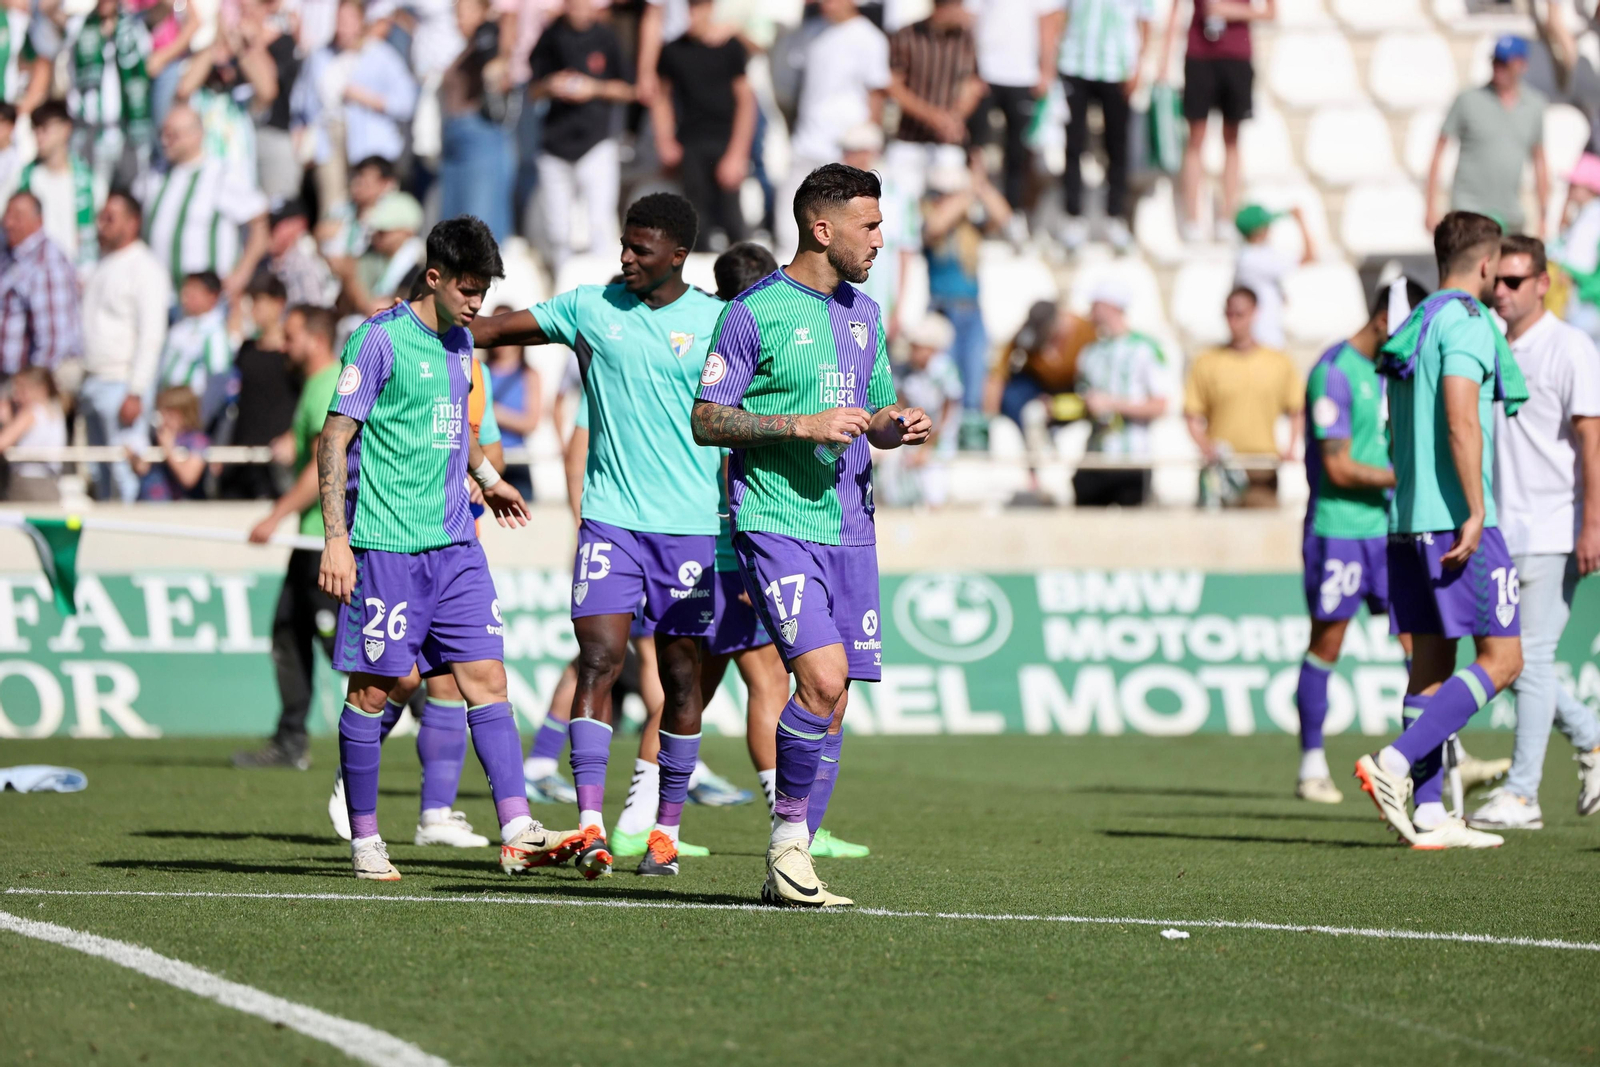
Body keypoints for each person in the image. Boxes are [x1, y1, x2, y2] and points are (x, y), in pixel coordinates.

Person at [691, 162, 933, 907]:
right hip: (777, 520)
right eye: (869, 225)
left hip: (852, 526)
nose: (881, 240)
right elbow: (707, 419)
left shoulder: (864, 314)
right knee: (819, 680)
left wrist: (898, 425)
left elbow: (878, 409)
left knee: (835, 699)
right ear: (821, 228)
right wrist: (799, 424)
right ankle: (788, 842)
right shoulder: (753, 312)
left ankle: (791, 867)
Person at [470, 193, 726, 879]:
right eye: (624, 244)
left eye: (641, 249)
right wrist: (417, 319)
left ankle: (665, 830)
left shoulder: (718, 323)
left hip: (691, 531)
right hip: (611, 520)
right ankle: (589, 823)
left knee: (677, 674)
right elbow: (493, 331)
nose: (626, 258)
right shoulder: (591, 306)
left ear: (678, 254)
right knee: (599, 658)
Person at [314, 214, 572, 882]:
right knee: (373, 692)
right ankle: (366, 837)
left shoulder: (463, 345)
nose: (476, 301)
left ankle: (517, 826)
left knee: (486, 677)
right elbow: (334, 436)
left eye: (483, 288)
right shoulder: (378, 341)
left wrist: (489, 479)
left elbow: (454, 434)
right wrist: (336, 539)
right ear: (433, 276)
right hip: (388, 547)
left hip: (457, 545)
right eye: (466, 286)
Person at [1355, 210, 1527, 850]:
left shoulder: (1413, 326)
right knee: (1503, 660)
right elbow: (1461, 415)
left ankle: (1428, 815)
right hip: (1454, 522)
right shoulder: (1468, 321)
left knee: (1429, 667)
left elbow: (1399, 429)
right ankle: (1394, 764)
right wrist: (1475, 508)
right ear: (1487, 264)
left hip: (1405, 523)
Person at [1466, 235, 1600, 829]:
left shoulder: (1571, 346)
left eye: (1515, 282)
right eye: (1498, 281)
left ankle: (1522, 794)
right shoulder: (1490, 343)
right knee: (1507, 660)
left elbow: (1592, 440)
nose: (1502, 292)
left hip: (1553, 523)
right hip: (1501, 525)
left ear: (1544, 283)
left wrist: (1593, 521)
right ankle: (1594, 741)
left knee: (1532, 656)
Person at [1293, 278, 1426, 804]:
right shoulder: (1333, 373)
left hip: (1386, 533)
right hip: (1339, 533)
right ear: (1381, 321)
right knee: (1328, 644)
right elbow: (1339, 467)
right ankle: (1310, 766)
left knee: (1419, 643)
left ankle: (1434, 754)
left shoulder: (1385, 370)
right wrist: (1403, 476)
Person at [234, 305, 344, 769]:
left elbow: (325, 462)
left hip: (323, 538)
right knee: (288, 631)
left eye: (292, 336)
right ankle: (290, 738)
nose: (283, 345)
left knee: (343, 643)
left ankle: (424, 713)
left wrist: (275, 514)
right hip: (310, 538)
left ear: (316, 340)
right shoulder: (318, 386)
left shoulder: (327, 384)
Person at [776, 0, 889, 258]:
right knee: (789, 226)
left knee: (840, 231)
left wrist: (868, 143)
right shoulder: (810, 32)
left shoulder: (869, 37)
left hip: (846, 151)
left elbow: (877, 95)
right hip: (806, 144)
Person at [1160, 0, 1276, 242]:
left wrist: (1229, 11)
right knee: (1195, 139)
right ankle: (1193, 221)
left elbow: (1270, 12)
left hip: (1236, 57)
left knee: (1232, 139)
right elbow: (1174, 11)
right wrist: (1164, 63)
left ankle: (1227, 219)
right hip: (1199, 57)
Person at [528, 0, 632, 271]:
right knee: (558, 230)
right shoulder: (550, 36)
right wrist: (552, 85)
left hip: (596, 141)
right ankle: (562, 284)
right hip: (555, 144)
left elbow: (628, 89)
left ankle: (602, 288)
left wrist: (592, 88)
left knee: (599, 223)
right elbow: (532, 89)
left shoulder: (606, 36)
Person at [80, 190, 169, 502]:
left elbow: (152, 335)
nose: (101, 224)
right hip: (93, 380)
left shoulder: (145, 267)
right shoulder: (103, 263)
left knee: (125, 473)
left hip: (122, 385)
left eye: (110, 217)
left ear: (133, 223)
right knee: (99, 473)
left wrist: (136, 390)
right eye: (101, 216)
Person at [291, 0, 417, 216]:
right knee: (333, 209)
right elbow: (301, 100)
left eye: (349, 21)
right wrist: (299, 130)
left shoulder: (381, 55)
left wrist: (365, 98)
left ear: (361, 22)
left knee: (372, 210)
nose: (343, 27)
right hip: (328, 142)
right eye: (339, 20)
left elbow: (406, 102)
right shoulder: (320, 56)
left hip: (370, 147)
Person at [137, 104, 270, 304]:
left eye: (173, 135)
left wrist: (240, 276)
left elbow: (259, 225)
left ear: (196, 134)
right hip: (160, 299)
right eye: (162, 134)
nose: (165, 141)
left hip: (208, 304)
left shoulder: (221, 174)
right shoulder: (154, 176)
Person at [1183, 287, 1301, 508]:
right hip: (1221, 468)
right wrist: (1205, 446)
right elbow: (1192, 413)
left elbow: (1296, 409)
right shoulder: (1206, 361)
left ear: (1255, 313)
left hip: (1262, 468)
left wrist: (1292, 446)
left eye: (1240, 314)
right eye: (1229, 314)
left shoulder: (1278, 362)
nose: (1234, 321)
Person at [653, 0, 756, 251]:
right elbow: (661, 98)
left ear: (710, 8)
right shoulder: (672, 50)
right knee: (696, 224)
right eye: (688, 7)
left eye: (697, 7)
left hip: (726, 141)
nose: (692, 14)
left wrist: (737, 154)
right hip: (690, 143)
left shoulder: (730, 47)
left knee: (734, 224)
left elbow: (746, 102)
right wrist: (664, 141)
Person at [922, 154, 1009, 441]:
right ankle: (939, 441)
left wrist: (981, 185)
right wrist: (972, 187)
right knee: (944, 384)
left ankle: (970, 442)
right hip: (943, 311)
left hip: (971, 313)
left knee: (974, 383)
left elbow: (1004, 216)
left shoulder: (969, 227)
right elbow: (936, 225)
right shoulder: (929, 220)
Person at [1056, 0, 1153, 252]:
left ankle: (1114, 217)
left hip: (1118, 70)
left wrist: (1139, 67)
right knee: (1073, 144)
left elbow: (1146, 19)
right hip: (1074, 64)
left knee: (1117, 147)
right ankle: (1073, 217)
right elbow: (1057, 12)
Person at [1427, 36, 1548, 238]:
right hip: (1469, 212)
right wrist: (1431, 206)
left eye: (1505, 63)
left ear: (1522, 65)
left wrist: (1543, 216)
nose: (1498, 68)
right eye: (1495, 61)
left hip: (1510, 214)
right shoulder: (1468, 99)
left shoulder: (1534, 106)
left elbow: (1540, 161)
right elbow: (1438, 151)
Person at [1072, 279, 1167, 506]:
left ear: (1109, 306)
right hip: (1095, 458)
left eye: (1095, 305)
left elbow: (1161, 404)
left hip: (1133, 460)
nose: (1090, 312)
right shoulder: (1089, 353)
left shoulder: (1146, 348)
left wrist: (1112, 404)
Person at [966, 0, 1060, 222]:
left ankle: (1014, 211)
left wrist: (1047, 70)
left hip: (1024, 75)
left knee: (1020, 152)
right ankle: (973, 203)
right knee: (975, 145)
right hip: (986, 72)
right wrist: (971, 69)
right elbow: (970, 20)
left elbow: (1048, 24)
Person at [886, 0, 983, 203]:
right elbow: (894, 86)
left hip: (948, 140)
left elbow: (972, 85)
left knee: (953, 199)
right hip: (910, 137)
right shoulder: (907, 36)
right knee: (902, 202)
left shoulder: (965, 39)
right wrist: (931, 116)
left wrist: (954, 118)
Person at [440, 0, 513, 241]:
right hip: (455, 141)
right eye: (457, 13)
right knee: (454, 226)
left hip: (479, 140)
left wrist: (496, 64)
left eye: (468, 12)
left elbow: (498, 60)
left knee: (477, 225)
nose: (460, 19)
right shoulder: (465, 49)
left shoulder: (487, 40)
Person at [219, 276, 297, 500]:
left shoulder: (292, 355)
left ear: (279, 303)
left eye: (259, 301)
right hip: (242, 457)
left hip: (276, 462)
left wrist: (293, 438)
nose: (254, 309)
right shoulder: (246, 350)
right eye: (251, 301)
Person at [0, 191, 82, 376]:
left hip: (23, 381)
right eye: (7, 215)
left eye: (18, 217)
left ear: (39, 221)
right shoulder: (8, 254)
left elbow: (54, 341)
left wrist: (29, 386)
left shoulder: (47, 263)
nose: (8, 223)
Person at [887, 313, 963, 508]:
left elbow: (948, 414)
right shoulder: (906, 370)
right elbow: (899, 403)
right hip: (911, 437)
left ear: (932, 349)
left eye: (918, 347)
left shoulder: (945, 370)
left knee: (933, 491)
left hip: (939, 440)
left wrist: (928, 448)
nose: (913, 351)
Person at [16, 101, 97, 270]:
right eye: (35, 129)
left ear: (66, 129)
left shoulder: (90, 181)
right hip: (33, 274)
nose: (39, 135)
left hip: (78, 275)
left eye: (45, 128)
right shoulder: (24, 179)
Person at [1232, 203, 1314, 352]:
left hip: (1265, 335)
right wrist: (1301, 221)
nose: (1270, 230)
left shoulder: (1248, 256)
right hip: (1264, 337)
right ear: (1259, 231)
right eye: (1267, 226)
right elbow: (1309, 257)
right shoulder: (1253, 258)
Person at [158, 271, 234, 430]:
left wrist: (200, 419)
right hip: (169, 411)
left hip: (189, 415)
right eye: (185, 290)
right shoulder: (180, 325)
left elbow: (218, 380)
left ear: (212, 296)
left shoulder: (214, 332)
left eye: (194, 291)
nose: (186, 296)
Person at [330, 190, 425, 315]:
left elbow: (379, 313)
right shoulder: (371, 257)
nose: (376, 236)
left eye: (384, 232)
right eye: (375, 231)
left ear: (407, 231)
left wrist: (350, 278)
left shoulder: (420, 264)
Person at [482, 305, 539, 501]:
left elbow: (531, 422)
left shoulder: (529, 375)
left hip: (517, 462)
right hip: (484, 461)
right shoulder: (479, 370)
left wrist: (493, 413)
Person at [130, 385, 209, 501]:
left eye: (170, 413)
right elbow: (142, 469)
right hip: (147, 506)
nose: (164, 418)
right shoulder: (156, 436)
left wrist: (168, 448)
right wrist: (133, 457)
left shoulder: (197, 440)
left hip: (177, 510)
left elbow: (188, 478)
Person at [0, 367, 67, 501]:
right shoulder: (56, 409)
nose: (16, 397)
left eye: (22, 391)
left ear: (41, 389)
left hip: (27, 484)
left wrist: (6, 421)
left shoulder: (31, 412)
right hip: (51, 485)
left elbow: (2, 443)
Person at [319, 154, 397, 259]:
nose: (358, 184)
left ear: (385, 183)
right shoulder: (342, 208)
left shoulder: (392, 214)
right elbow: (321, 233)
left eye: (365, 181)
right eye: (357, 177)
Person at [265, 199, 337, 308]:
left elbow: (314, 310)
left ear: (299, 225)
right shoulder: (270, 261)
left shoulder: (306, 259)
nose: (269, 231)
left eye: (275, 225)